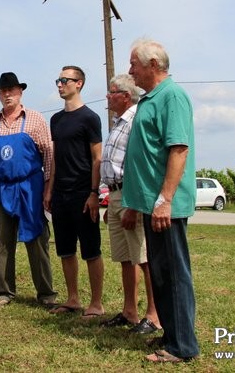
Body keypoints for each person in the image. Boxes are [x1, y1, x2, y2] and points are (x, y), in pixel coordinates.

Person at [122, 38, 199, 363]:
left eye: (134, 65)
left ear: (153, 65)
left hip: (165, 207)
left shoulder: (172, 97)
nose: (130, 71)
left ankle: (183, 346)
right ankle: (172, 336)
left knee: (174, 274)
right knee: (162, 273)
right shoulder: (151, 99)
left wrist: (165, 199)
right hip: (150, 206)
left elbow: (178, 149)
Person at [0, 72, 56, 308]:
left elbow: (49, 155)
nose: (7, 94)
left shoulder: (35, 119)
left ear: (20, 92)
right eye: (3, 91)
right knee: (3, 243)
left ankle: (46, 294)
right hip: (0, 188)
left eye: (11, 90)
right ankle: (3, 292)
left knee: (36, 239)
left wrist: (47, 189)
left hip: (29, 188)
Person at [100, 74, 160, 334]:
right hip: (115, 195)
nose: (107, 96)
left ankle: (154, 315)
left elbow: (139, 163)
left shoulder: (136, 120)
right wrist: (109, 199)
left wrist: (132, 204)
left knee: (144, 258)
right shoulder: (117, 122)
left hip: (130, 194)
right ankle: (129, 312)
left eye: (112, 92)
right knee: (126, 258)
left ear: (126, 96)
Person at [45, 65, 105, 318]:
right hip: (60, 194)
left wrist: (94, 193)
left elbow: (97, 158)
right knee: (65, 249)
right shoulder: (56, 120)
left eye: (64, 80)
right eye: (57, 80)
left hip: (84, 194)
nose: (59, 85)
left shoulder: (91, 118)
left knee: (91, 249)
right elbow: (56, 158)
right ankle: (73, 299)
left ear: (79, 83)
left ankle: (97, 303)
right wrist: (49, 189)